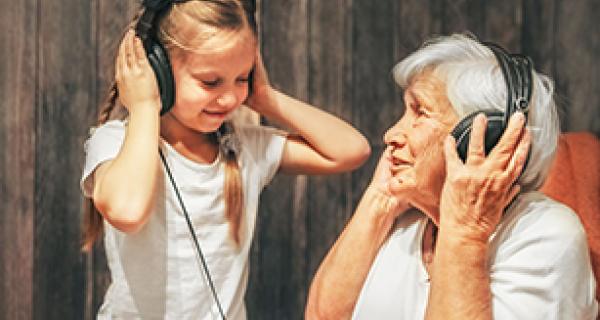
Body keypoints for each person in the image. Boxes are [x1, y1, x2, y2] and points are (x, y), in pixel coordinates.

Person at [79, 1, 370, 318]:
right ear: (156, 68)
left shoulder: (244, 147)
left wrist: (266, 98)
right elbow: (128, 211)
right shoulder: (115, 143)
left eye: (241, 78)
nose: (230, 98)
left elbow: (352, 150)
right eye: (210, 82)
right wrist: (145, 105)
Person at [305, 34, 598, 319]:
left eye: (419, 112)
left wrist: (466, 234)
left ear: (482, 140)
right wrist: (380, 201)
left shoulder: (545, 237)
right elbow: (322, 316)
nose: (391, 134)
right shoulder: (408, 225)